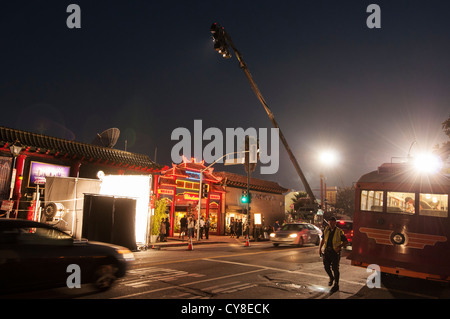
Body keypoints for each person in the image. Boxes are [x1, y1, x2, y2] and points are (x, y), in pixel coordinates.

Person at [318, 216, 349, 293]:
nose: (331, 224)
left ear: (335, 223)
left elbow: (346, 242)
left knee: (335, 268)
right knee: (326, 267)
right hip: (327, 252)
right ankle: (331, 278)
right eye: (330, 222)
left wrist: (339, 247)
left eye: (333, 223)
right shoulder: (326, 230)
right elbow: (323, 239)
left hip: (335, 252)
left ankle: (336, 285)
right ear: (328, 222)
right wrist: (320, 249)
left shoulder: (339, 231)